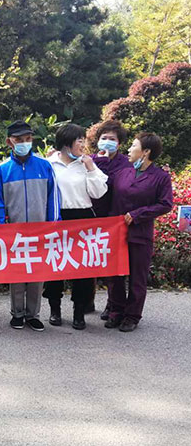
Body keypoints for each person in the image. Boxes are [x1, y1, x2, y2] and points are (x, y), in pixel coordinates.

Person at [0, 120, 60, 332]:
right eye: (19, 140)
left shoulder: (44, 166)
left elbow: (54, 198)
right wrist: (2, 227)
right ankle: (17, 314)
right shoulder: (3, 169)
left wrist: (53, 226)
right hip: (15, 233)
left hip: (41, 232)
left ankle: (33, 314)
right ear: (9, 142)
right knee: (17, 274)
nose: (24, 143)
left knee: (37, 274)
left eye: (28, 139)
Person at [106, 132, 172, 332]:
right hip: (117, 232)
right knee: (115, 274)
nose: (129, 149)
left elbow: (165, 204)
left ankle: (132, 316)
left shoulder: (161, 177)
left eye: (133, 146)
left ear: (146, 152)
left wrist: (138, 214)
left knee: (137, 277)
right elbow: (104, 190)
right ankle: (116, 311)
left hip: (140, 233)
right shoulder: (123, 173)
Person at [44, 124, 108, 330]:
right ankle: (55, 309)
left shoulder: (86, 163)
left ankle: (79, 312)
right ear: (66, 143)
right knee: (54, 265)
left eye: (83, 140)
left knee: (82, 268)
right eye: (78, 140)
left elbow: (98, 193)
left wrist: (90, 168)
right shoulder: (49, 163)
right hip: (57, 217)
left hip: (82, 217)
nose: (82, 144)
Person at [90, 120, 134, 320]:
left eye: (112, 139)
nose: (107, 141)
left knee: (114, 267)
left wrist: (104, 164)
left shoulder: (126, 164)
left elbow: (114, 185)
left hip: (115, 220)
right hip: (92, 218)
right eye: (104, 138)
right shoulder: (90, 160)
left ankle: (114, 305)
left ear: (119, 143)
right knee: (90, 262)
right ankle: (86, 302)